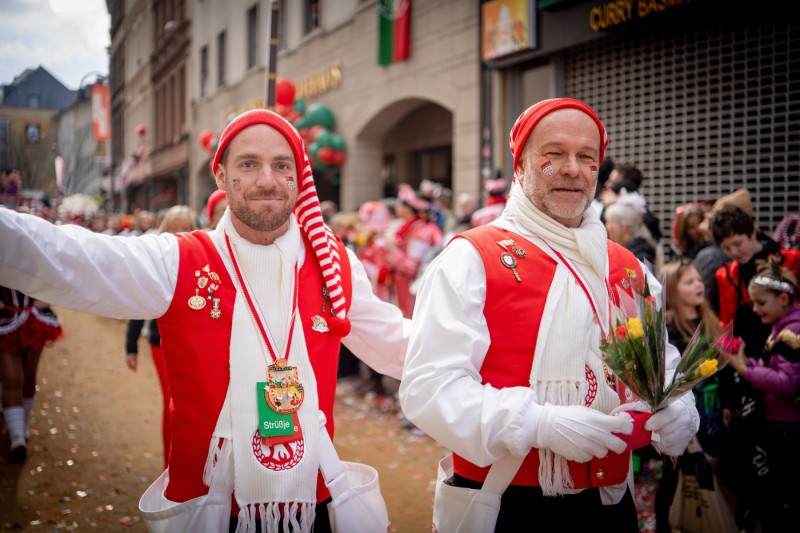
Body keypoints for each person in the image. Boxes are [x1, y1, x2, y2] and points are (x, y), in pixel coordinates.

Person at [0, 109, 410, 532]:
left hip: (312, 506)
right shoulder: (179, 260)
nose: (267, 180)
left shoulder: (335, 266)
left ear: (299, 177)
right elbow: (64, 256)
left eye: (281, 165)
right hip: (212, 513)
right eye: (249, 164)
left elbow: (400, 345)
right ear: (220, 176)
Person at [399, 98, 699, 531]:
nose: (572, 169)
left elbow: (662, 370)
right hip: (508, 507)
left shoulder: (628, 268)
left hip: (611, 505)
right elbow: (428, 389)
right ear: (520, 165)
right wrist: (538, 423)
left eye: (586, 157)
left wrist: (679, 408)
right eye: (553, 154)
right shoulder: (471, 259)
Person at [721, 256, 800, 532]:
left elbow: (787, 383)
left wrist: (744, 369)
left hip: (787, 427)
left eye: (761, 303)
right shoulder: (782, 328)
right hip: (780, 423)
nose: (755, 309)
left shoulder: (792, 332)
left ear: (783, 298)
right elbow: (774, 370)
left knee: (782, 492)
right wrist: (747, 362)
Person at [125, 205, 198, 468]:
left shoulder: (205, 259)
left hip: (198, 347)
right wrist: (130, 346)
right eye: (174, 228)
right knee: (172, 402)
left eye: (185, 228)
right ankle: (171, 465)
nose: (179, 234)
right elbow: (140, 306)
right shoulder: (156, 262)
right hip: (162, 345)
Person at [656, 259, 726, 533]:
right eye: (689, 282)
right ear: (673, 290)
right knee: (674, 477)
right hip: (681, 413)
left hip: (713, 410)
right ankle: (667, 523)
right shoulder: (666, 332)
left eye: (699, 279)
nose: (699, 285)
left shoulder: (709, 321)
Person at [1, 286, 63, 463]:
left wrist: (51, 295)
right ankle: (17, 437)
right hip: (4, 319)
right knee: (12, 378)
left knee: (28, 377)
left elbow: (59, 268)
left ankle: (21, 424)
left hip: (34, 316)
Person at [386, 183, 443, 319]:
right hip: (407, 288)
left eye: (400, 204)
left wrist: (392, 249)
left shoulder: (420, 233)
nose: (396, 207)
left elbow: (410, 267)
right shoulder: (411, 228)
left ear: (409, 208)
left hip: (413, 290)